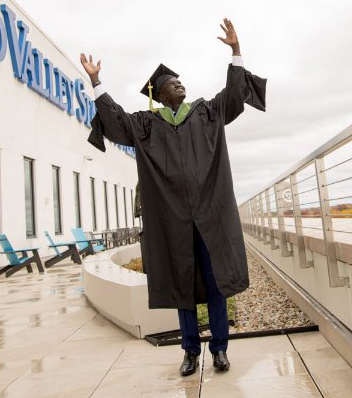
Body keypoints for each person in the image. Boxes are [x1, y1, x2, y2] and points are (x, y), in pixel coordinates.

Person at [80, 19, 266, 376]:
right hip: (172, 220)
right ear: (160, 95)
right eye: (171, 83)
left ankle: (221, 350)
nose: (179, 84)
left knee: (215, 285)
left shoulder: (206, 113)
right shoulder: (147, 125)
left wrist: (236, 52)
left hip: (209, 216)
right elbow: (115, 121)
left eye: (180, 81)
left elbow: (233, 97)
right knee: (182, 284)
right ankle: (190, 351)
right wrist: (96, 81)